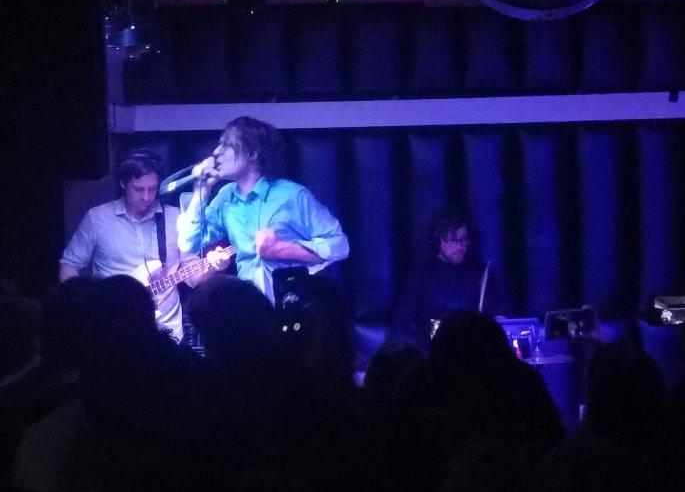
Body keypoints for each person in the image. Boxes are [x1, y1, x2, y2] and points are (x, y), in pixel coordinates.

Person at [177, 116, 349, 304]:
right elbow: (188, 244)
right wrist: (201, 191)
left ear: (252, 153)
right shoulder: (226, 197)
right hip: (250, 307)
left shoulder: (291, 195)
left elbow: (339, 245)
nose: (216, 152)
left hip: (292, 305)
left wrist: (281, 249)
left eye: (227, 145)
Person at [59, 149, 194, 341]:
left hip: (167, 332)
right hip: (111, 329)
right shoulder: (98, 218)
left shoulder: (176, 218)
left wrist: (213, 266)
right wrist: (85, 308)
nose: (146, 196)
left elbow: (192, 277)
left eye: (152, 189)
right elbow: (69, 266)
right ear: (123, 183)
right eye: (138, 189)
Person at [390, 206, 505, 355]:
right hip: (431, 354)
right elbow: (401, 324)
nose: (459, 246)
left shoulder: (481, 273)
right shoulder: (420, 276)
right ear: (437, 240)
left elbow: (500, 316)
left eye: (463, 239)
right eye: (452, 240)